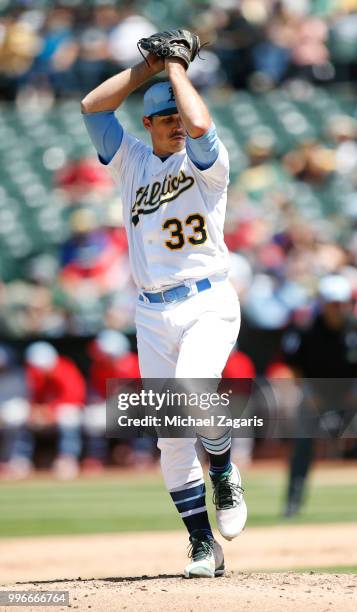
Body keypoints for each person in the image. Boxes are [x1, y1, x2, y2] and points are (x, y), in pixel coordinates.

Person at [81, 34, 247, 579]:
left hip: (207, 300)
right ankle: (203, 545)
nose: (177, 121)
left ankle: (223, 470)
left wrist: (176, 70)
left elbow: (201, 128)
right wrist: (148, 66)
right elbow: (93, 106)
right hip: (151, 313)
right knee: (171, 437)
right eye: (165, 117)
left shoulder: (207, 164)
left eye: (179, 113)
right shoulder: (129, 161)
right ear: (148, 124)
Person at [281, 274, 357, 517]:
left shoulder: (354, 329)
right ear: (322, 304)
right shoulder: (306, 331)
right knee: (303, 444)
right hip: (315, 397)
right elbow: (293, 364)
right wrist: (308, 391)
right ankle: (292, 503)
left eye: (341, 303)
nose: (337, 309)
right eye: (332, 303)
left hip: (351, 396)